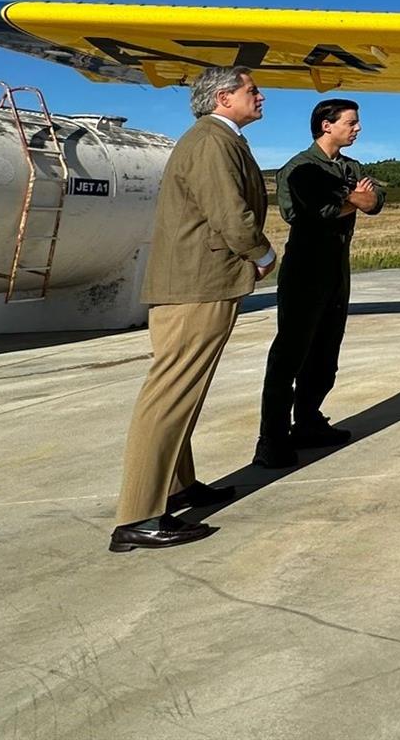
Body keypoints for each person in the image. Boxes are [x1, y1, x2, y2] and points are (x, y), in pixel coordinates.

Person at [109, 66, 275, 552]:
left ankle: (177, 486)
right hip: (196, 286)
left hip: (197, 283)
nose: (260, 95)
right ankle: (138, 515)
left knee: (185, 390)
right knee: (171, 392)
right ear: (224, 98)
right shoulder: (210, 142)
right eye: (251, 90)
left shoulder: (219, 139)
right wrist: (262, 254)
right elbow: (229, 213)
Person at [254, 98, 383, 468]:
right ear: (327, 126)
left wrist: (358, 199)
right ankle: (272, 439)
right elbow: (309, 212)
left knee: (326, 352)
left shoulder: (349, 166)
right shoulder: (300, 167)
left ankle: (308, 421)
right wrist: (352, 199)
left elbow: (375, 200)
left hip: (336, 267)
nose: (357, 128)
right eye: (351, 122)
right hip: (306, 268)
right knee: (290, 353)